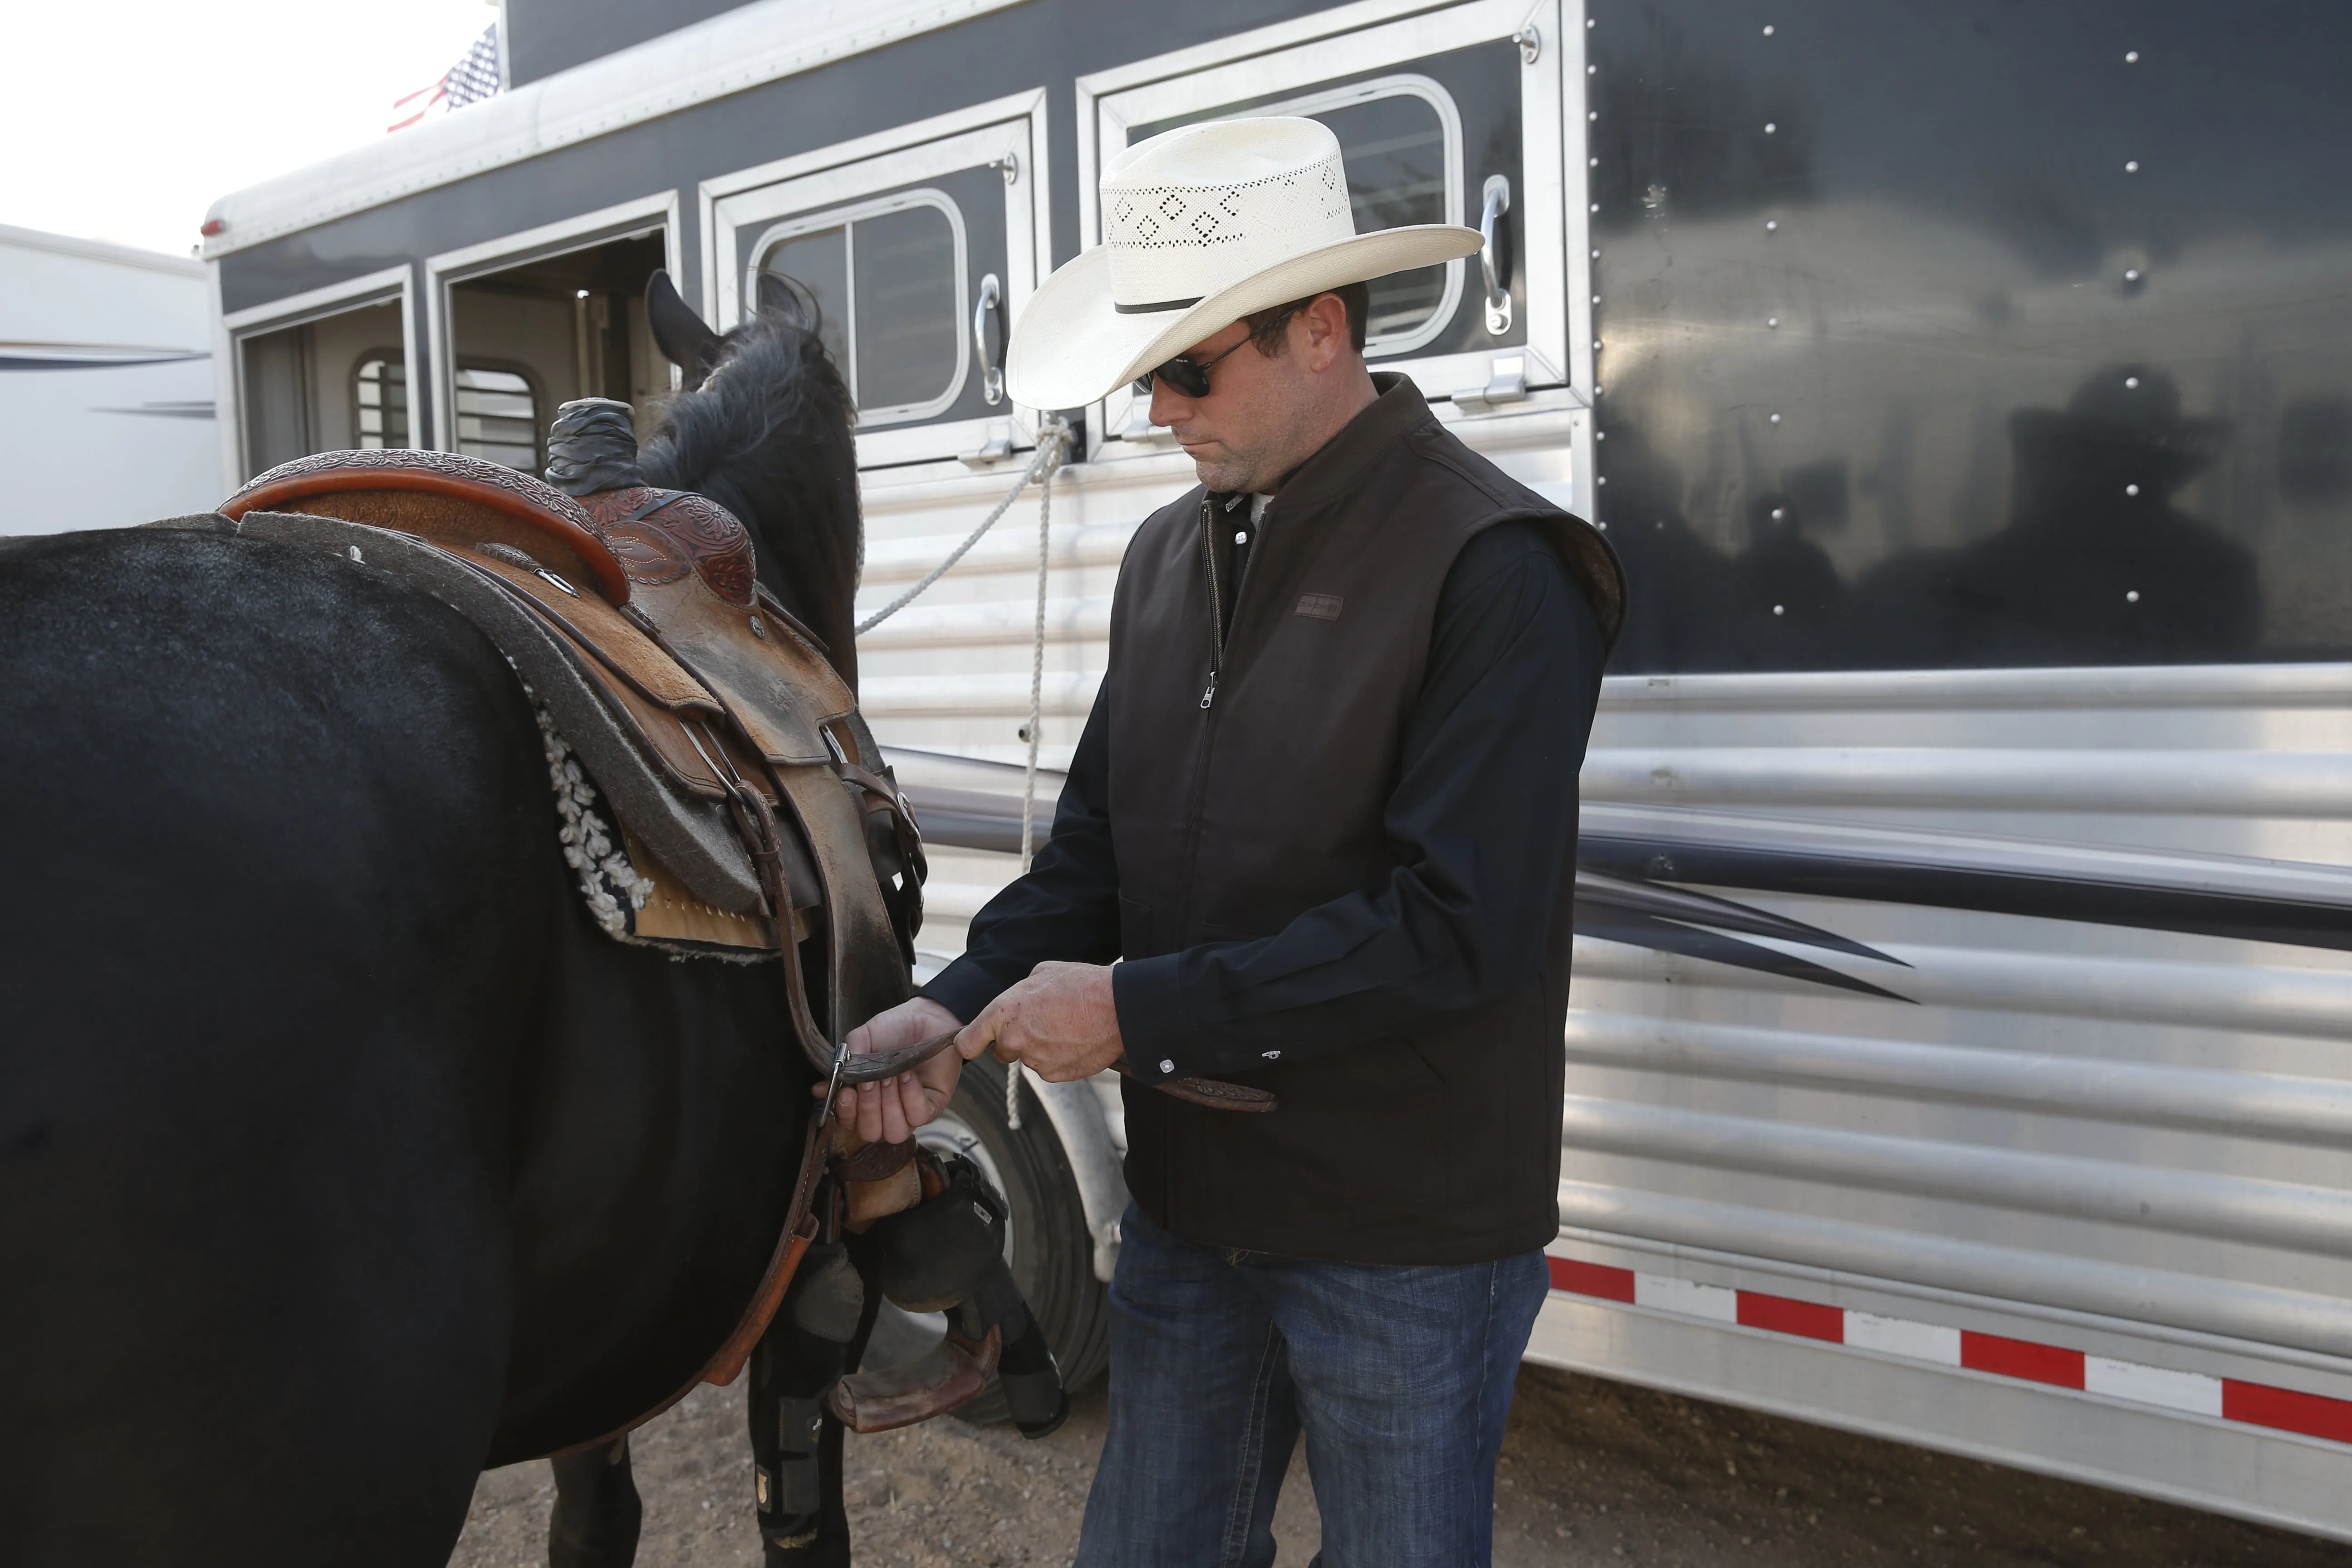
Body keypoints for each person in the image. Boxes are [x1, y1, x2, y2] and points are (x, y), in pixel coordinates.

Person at [840, 117, 1624, 1567]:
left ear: (1319, 329)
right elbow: (1092, 864)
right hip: (1198, 1210)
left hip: (1407, 1239)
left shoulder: (1500, 567)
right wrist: (946, 1012)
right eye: (1151, 373)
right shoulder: (1164, 557)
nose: (1157, 413)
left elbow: (1460, 928)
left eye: (1189, 370)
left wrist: (1133, 1010)